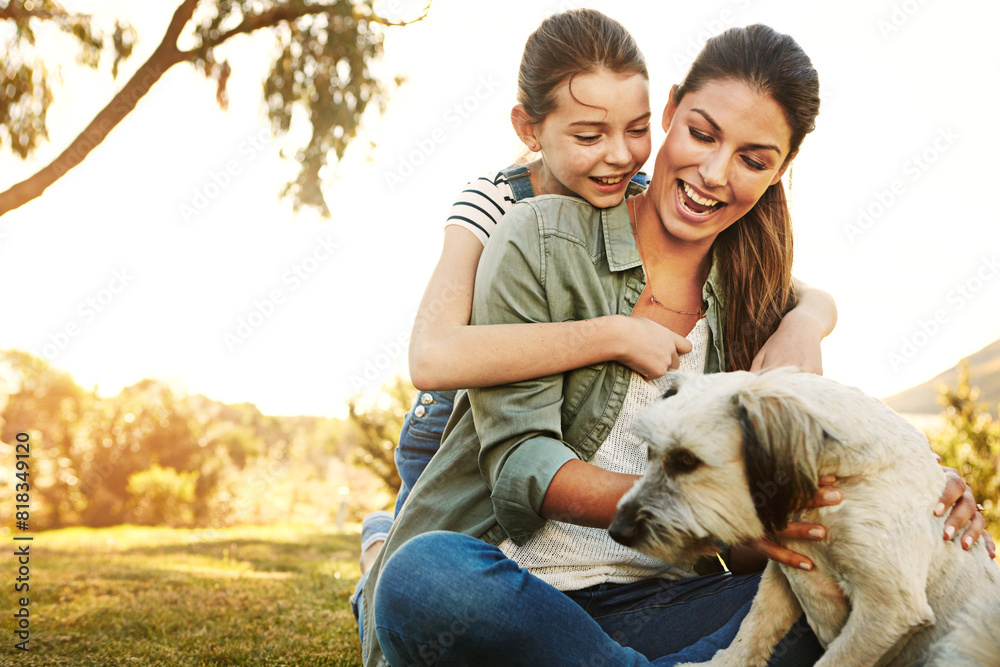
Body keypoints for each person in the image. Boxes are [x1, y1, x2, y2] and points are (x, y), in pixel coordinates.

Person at [359, 19, 994, 667]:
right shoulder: (538, 234)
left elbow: (761, 547)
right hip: (514, 593)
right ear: (669, 111)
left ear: (781, 170)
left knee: (819, 601)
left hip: (662, 607)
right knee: (425, 574)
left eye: (753, 158)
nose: (715, 173)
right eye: (702, 133)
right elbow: (521, 463)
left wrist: (911, 498)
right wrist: (682, 498)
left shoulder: (763, 312)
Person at [357, 6, 840, 575]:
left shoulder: (656, 204)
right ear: (529, 129)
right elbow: (432, 358)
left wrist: (808, 318)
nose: (617, 154)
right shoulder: (502, 206)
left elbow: (800, 293)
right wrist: (615, 334)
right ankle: (378, 558)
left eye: (634, 132)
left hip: (656, 586)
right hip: (446, 417)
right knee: (415, 568)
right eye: (588, 135)